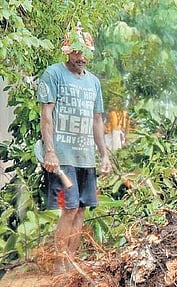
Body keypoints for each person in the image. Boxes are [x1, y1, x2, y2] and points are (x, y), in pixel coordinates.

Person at [37, 23, 112, 274]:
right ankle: (59, 263)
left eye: (85, 53)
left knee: (81, 209)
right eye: (77, 52)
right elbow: (46, 116)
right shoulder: (53, 74)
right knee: (68, 208)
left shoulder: (93, 83)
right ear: (67, 51)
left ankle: (71, 261)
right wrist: (50, 151)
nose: (81, 58)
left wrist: (104, 154)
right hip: (62, 158)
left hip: (85, 157)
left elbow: (96, 120)